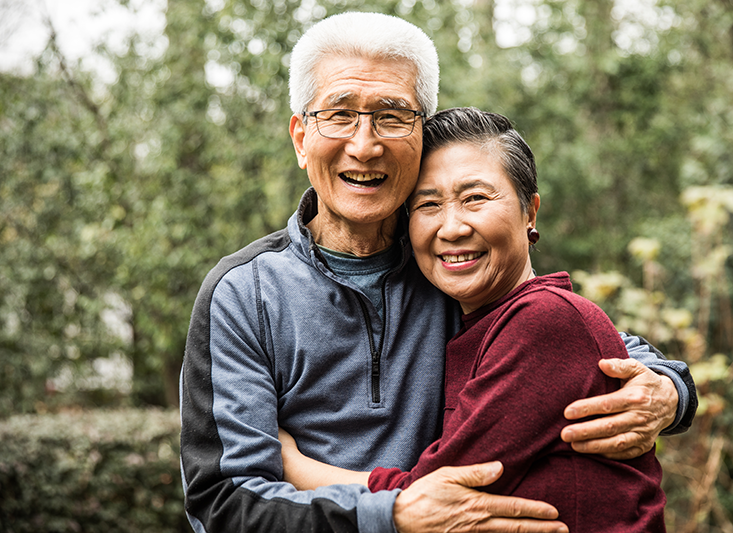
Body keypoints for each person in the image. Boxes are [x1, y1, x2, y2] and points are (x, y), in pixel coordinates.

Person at [180, 12, 697, 533]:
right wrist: (391, 516)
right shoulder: (245, 292)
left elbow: (581, 342)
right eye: (339, 115)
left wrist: (670, 391)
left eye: (391, 115)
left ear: (419, 136)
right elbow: (223, 505)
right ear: (300, 138)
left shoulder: (450, 265)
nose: (364, 145)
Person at [279, 107, 668, 532]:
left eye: (475, 198)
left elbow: (431, 496)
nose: (451, 228)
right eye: (428, 204)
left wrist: (292, 465)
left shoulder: (544, 321)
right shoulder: (469, 321)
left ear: (530, 212)